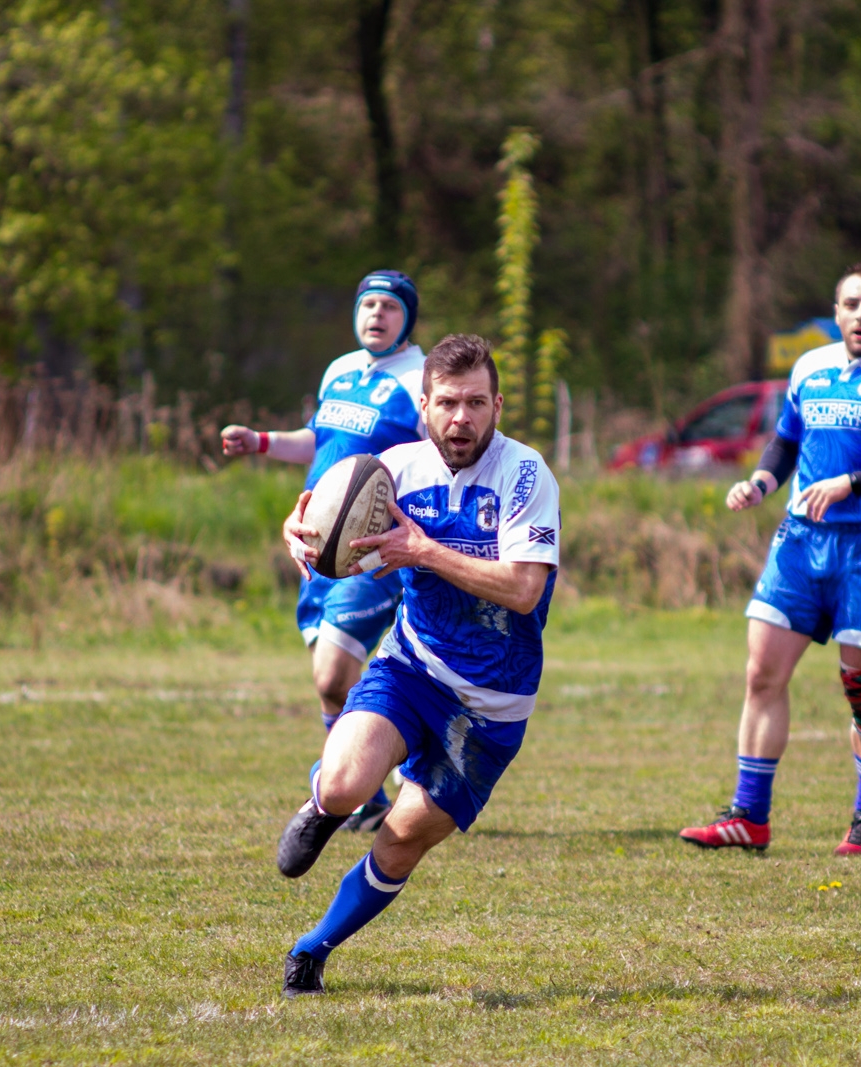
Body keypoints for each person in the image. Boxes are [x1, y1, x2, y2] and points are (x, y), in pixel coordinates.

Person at [272, 334, 561, 998]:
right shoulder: (393, 467)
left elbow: (523, 590)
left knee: (401, 838)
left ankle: (312, 948)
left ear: (498, 405)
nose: (462, 419)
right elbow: (332, 512)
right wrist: (304, 527)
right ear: (424, 403)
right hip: (412, 667)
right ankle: (324, 800)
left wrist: (424, 551)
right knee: (347, 787)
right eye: (449, 403)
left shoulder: (525, 475)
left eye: (477, 404)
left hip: (493, 706)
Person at [679, 263, 861, 857]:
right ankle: (749, 817)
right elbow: (786, 438)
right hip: (800, 541)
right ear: (836, 310)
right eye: (851, 304)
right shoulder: (810, 367)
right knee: (761, 674)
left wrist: (850, 483)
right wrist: (760, 480)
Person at [222, 270, 426, 832]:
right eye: (368, 305)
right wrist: (261, 442)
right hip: (317, 540)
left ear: (407, 317)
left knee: (332, 675)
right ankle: (365, 788)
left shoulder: (419, 378)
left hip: (369, 547)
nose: (376, 315)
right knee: (329, 673)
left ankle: (354, 779)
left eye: (389, 306)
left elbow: (434, 461)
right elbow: (318, 440)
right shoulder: (340, 370)